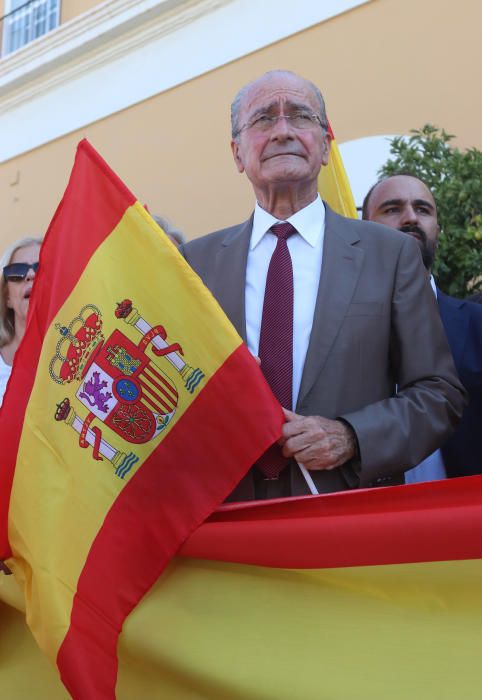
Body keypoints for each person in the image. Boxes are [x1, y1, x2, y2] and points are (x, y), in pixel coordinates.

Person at [181, 70, 465, 500]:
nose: (282, 131)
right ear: (237, 153)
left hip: (348, 518)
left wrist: (352, 437)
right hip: (222, 523)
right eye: (262, 119)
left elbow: (438, 394)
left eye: (299, 116)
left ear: (326, 145)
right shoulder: (193, 265)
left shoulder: (389, 255)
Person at [363, 173, 482, 480]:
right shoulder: (335, 331)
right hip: (366, 518)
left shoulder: (476, 325)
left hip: (463, 518)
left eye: (423, 209)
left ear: (437, 230)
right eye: (392, 209)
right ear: (362, 230)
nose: (411, 218)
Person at [0, 236, 42, 406]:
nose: (31, 275)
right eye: (17, 271)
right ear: (7, 297)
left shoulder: (81, 356)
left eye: (42, 268)